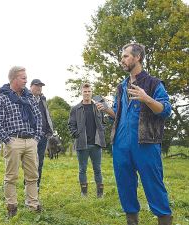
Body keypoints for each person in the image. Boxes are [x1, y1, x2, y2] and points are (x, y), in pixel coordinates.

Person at [95, 43, 173, 225]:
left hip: (145, 142)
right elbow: (118, 116)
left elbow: (165, 110)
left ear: (137, 57)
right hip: (121, 143)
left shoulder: (154, 84)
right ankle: (132, 220)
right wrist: (107, 110)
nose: (121, 60)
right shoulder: (121, 87)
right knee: (125, 185)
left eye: (125, 56)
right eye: (122, 57)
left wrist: (146, 98)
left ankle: (164, 219)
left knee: (153, 183)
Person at [0, 66, 43, 219]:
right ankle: (11, 208)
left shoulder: (29, 97)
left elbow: (38, 118)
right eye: (23, 78)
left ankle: (34, 207)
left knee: (33, 176)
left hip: (30, 141)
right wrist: (8, 140)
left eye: (26, 78)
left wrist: (36, 138)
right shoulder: (1, 98)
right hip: (13, 141)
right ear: (13, 79)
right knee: (11, 177)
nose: (26, 80)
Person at [68, 83, 106, 198]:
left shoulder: (98, 107)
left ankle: (100, 194)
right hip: (82, 144)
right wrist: (77, 135)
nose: (87, 93)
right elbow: (71, 125)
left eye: (89, 91)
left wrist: (101, 133)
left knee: (97, 169)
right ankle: (84, 193)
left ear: (91, 92)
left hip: (96, 144)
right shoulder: (75, 109)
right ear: (81, 93)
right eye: (85, 91)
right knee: (82, 169)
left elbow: (103, 123)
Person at [23, 79, 53, 204]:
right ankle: (28, 195)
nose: (39, 88)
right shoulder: (25, 99)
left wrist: (47, 131)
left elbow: (46, 116)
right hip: (29, 138)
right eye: (37, 86)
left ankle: (35, 194)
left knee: (38, 165)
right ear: (30, 87)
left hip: (42, 138)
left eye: (41, 86)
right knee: (29, 166)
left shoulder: (43, 100)